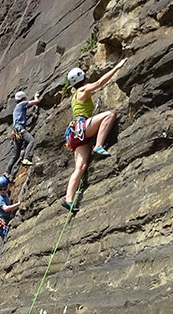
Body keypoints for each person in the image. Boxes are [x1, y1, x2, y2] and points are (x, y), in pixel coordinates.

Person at [61, 58, 127, 212]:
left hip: (75, 134)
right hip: (82, 127)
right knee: (110, 114)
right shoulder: (82, 90)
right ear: (83, 78)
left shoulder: (74, 95)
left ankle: (68, 198)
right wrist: (116, 67)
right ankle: (98, 146)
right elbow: (99, 84)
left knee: (81, 167)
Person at [5, 90, 41, 177]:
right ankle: (26, 158)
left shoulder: (16, 108)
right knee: (31, 140)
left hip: (15, 133)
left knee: (15, 155)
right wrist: (36, 96)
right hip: (20, 129)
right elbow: (36, 102)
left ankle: (7, 172)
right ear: (24, 98)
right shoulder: (22, 104)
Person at [0, 175, 21, 240]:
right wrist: (18, 204)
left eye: (4, 189)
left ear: (7, 187)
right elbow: (5, 209)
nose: (3, 191)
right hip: (4, 221)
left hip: (8, 218)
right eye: (1, 189)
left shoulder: (5, 195)